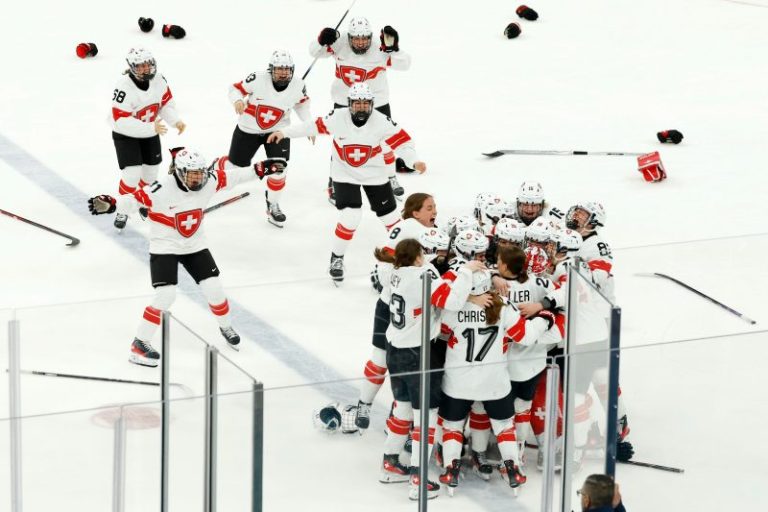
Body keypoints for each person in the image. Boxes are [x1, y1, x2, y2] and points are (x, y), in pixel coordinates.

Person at [87, 148, 285, 366]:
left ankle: (226, 326)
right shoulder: (161, 189)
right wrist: (112, 204)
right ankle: (140, 343)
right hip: (165, 246)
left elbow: (235, 176)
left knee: (214, 289)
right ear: (180, 173)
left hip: (195, 245)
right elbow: (133, 201)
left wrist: (261, 168)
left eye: (200, 173)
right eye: (192, 175)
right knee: (166, 295)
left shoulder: (209, 180)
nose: (198, 179)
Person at [267, 82, 426, 283]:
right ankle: (337, 258)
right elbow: (312, 126)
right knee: (351, 216)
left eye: (365, 103)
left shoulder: (382, 121)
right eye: (357, 103)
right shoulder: (337, 117)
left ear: (372, 104)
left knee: (392, 219)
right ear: (349, 104)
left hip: (374, 174)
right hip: (344, 174)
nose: (361, 107)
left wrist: (414, 161)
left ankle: (408, 258)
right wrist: (284, 132)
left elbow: (404, 143)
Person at [376, 238, 483, 500]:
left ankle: (390, 463)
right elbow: (452, 301)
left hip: (394, 348)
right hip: (418, 353)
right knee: (426, 416)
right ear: (418, 257)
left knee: (402, 409)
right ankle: (418, 478)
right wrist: (465, 271)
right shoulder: (423, 275)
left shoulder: (394, 273)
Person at [439, 270, 561, 495]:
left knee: (453, 426)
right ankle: (512, 467)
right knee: (504, 425)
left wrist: (465, 301)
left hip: (458, 381)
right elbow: (526, 336)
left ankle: (451, 468)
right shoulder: (504, 306)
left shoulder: (453, 308)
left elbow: (441, 330)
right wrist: (546, 318)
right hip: (493, 380)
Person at [355, 193, 441, 431]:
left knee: (391, 362)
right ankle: (374, 408)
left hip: (405, 307)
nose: (434, 211)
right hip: (397, 307)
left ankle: (382, 411)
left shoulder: (427, 231)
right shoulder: (408, 228)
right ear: (415, 212)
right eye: (429, 208)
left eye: (435, 207)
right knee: (389, 361)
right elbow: (386, 267)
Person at [310, 16, 413, 203]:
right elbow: (315, 53)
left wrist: (395, 49)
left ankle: (390, 177)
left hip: (377, 102)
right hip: (344, 102)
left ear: (370, 37)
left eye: (364, 38)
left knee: (385, 142)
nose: (360, 42)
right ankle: (334, 181)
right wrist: (321, 39)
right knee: (341, 143)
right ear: (349, 37)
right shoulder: (340, 42)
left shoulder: (380, 48)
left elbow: (405, 64)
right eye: (356, 39)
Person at [225, 50, 312, 228]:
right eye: (279, 69)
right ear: (271, 69)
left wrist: (309, 124)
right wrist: (237, 101)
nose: (283, 73)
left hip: (278, 131)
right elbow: (235, 89)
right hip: (248, 129)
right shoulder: (257, 79)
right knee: (234, 167)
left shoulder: (298, 85)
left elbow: (302, 105)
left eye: (287, 69)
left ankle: (272, 204)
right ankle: (213, 169)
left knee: (279, 168)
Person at [110, 48, 186, 230]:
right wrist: (151, 127)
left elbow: (165, 104)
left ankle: (143, 200)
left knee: (150, 174)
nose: (145, 69)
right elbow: (121, 120)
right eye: (140, 66)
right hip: (126, 135)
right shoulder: (123, 87)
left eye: (147, 64)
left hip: (150, 132)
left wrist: (175, 120)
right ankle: (123, 209)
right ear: (131, 67)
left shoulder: (159, 80)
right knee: (132, 175)